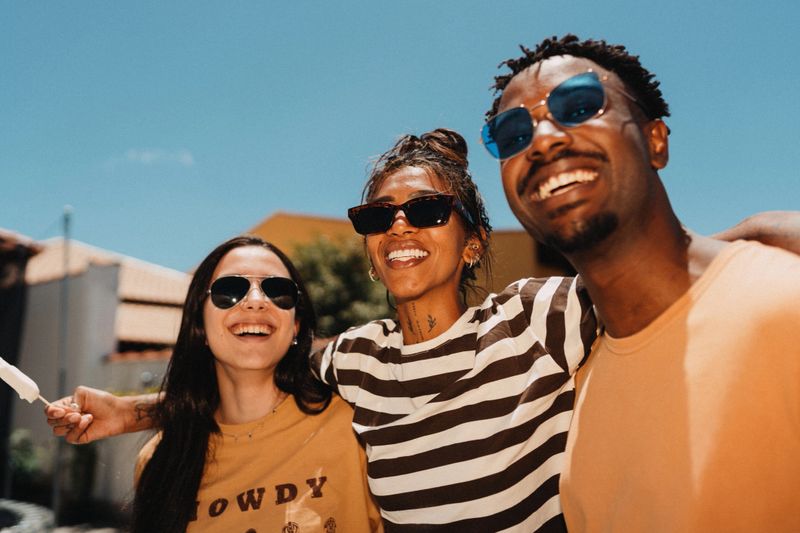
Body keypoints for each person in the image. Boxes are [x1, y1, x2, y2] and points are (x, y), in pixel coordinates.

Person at [47, 131, 797, 531]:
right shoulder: (356, 359)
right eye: (378, 216)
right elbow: (250, 369)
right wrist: (129, 413)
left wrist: (763, 231)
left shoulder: (536, 315)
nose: (400, 226)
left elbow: (672, 273)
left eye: (428, 211)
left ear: (473, 241)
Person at [481, 34, 800, 531]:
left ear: (656, 141)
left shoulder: (787, 303)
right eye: (512, 136)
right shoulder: (578, 394)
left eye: (580, 105)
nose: (543, 140)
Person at [113, 236, 381, 532]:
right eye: (230, 290)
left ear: (295, 325)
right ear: (200, 325)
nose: (255, 301)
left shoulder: (355, 431)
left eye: (278, 291)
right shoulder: (161, 459)